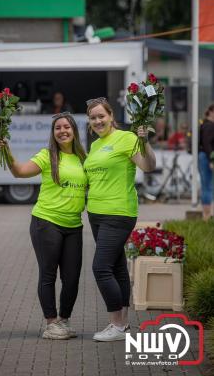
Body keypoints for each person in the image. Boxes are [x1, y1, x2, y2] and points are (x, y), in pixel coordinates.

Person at [0, 113, 87, 339]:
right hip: (46, 222)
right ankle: (51, 323)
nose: (63, 131)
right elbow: (19, 172)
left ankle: (64, 320)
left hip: (74, 224)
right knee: (48, 274)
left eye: (67, 126)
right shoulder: (47, 156)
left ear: (74, 130)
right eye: (58, 128)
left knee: (72, 277)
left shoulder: (83, 158)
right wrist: (6, 151)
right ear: (53, 133)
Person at [84, 97, 156, 342]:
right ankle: (123, 326)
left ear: (111, 116)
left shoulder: (126, 138)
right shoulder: (95, 145)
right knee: (116, 267)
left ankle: (116, 324)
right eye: (93, 117)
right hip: (96, 213)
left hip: (119, 213)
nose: (97, 121)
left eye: (101, 116)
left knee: (100, 267)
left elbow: (148, 166)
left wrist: (144, 142)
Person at [198, 104, 214, 221]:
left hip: (205, 156)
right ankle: (206, 215)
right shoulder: (209, 126)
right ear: (211, 111)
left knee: (206, 185)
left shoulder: (205, 124)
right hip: (207, 157)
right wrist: (211, 160)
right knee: (207, 186)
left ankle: (206, 214)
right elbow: (208, 144)